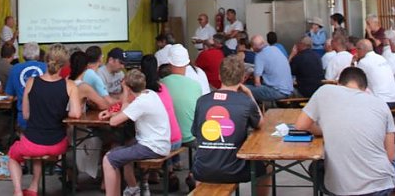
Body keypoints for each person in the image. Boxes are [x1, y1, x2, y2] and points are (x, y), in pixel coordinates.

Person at [296, 67, 395, 196]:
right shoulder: (381, 104)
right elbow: (389, 156)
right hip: (380, 187)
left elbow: (301, 125)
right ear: (365, 88)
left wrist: (323, 130)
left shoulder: (325, 91)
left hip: (340, 190)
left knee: (315, 167)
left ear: (339, 83)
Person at [7, 44, 81, 196]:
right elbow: (75, 114)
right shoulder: (70, 85)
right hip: (57, 144)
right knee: (38, 155)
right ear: (65, 64)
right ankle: (33, 188)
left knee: (13, 156)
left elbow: (26, 115)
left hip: (32, 142)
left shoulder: (31, 82)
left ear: (45, 60)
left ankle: (18, 191)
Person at [192, 55, 270, 196]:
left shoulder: (202, 101)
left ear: (219, 76)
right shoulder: (245, 102)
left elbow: (196, 133)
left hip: (202, 170)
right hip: (234, 170)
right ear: (242, 79)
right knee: (268, 165)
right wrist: (249, 94)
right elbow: (260, 123)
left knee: (202, 160)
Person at [101, 70, 171, 196]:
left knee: (108, 159)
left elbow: (113, 122)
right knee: (119, 151)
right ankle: (130, 188)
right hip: (160, 143)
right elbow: (127, 111)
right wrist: (112, 113)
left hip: (152, 146)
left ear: (128, 88)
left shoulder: (140, 103)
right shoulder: (150, 94)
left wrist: (125, 94)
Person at [140, 54, 182, 192]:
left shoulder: (143, 92)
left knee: (138, 138)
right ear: (157, 69)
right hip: (177, 138)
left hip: (164, 142)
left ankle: (143, 183)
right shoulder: (163, 87)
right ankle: (161, 172)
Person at [5, 41, 46, 130]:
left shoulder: (15, 68)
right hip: (45, 116)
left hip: (23, 116)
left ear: (23, 55)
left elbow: (9, 95)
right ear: (38, 55)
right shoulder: (46, 67)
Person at [247, 34, 293, 102]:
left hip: (277, 92)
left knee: (243, 89)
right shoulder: (275, 48)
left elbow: (257, 83)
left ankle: (254, 108)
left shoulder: (259, 56)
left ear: (253, 47)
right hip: (288, 89)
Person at [355, 39, 395, 108]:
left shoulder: (363, 62)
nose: (356, 52)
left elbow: (355, 81)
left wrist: (353, 62)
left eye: (356, 49)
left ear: (360, 49)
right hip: (394, 100)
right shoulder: (381, 58)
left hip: (381, 101)